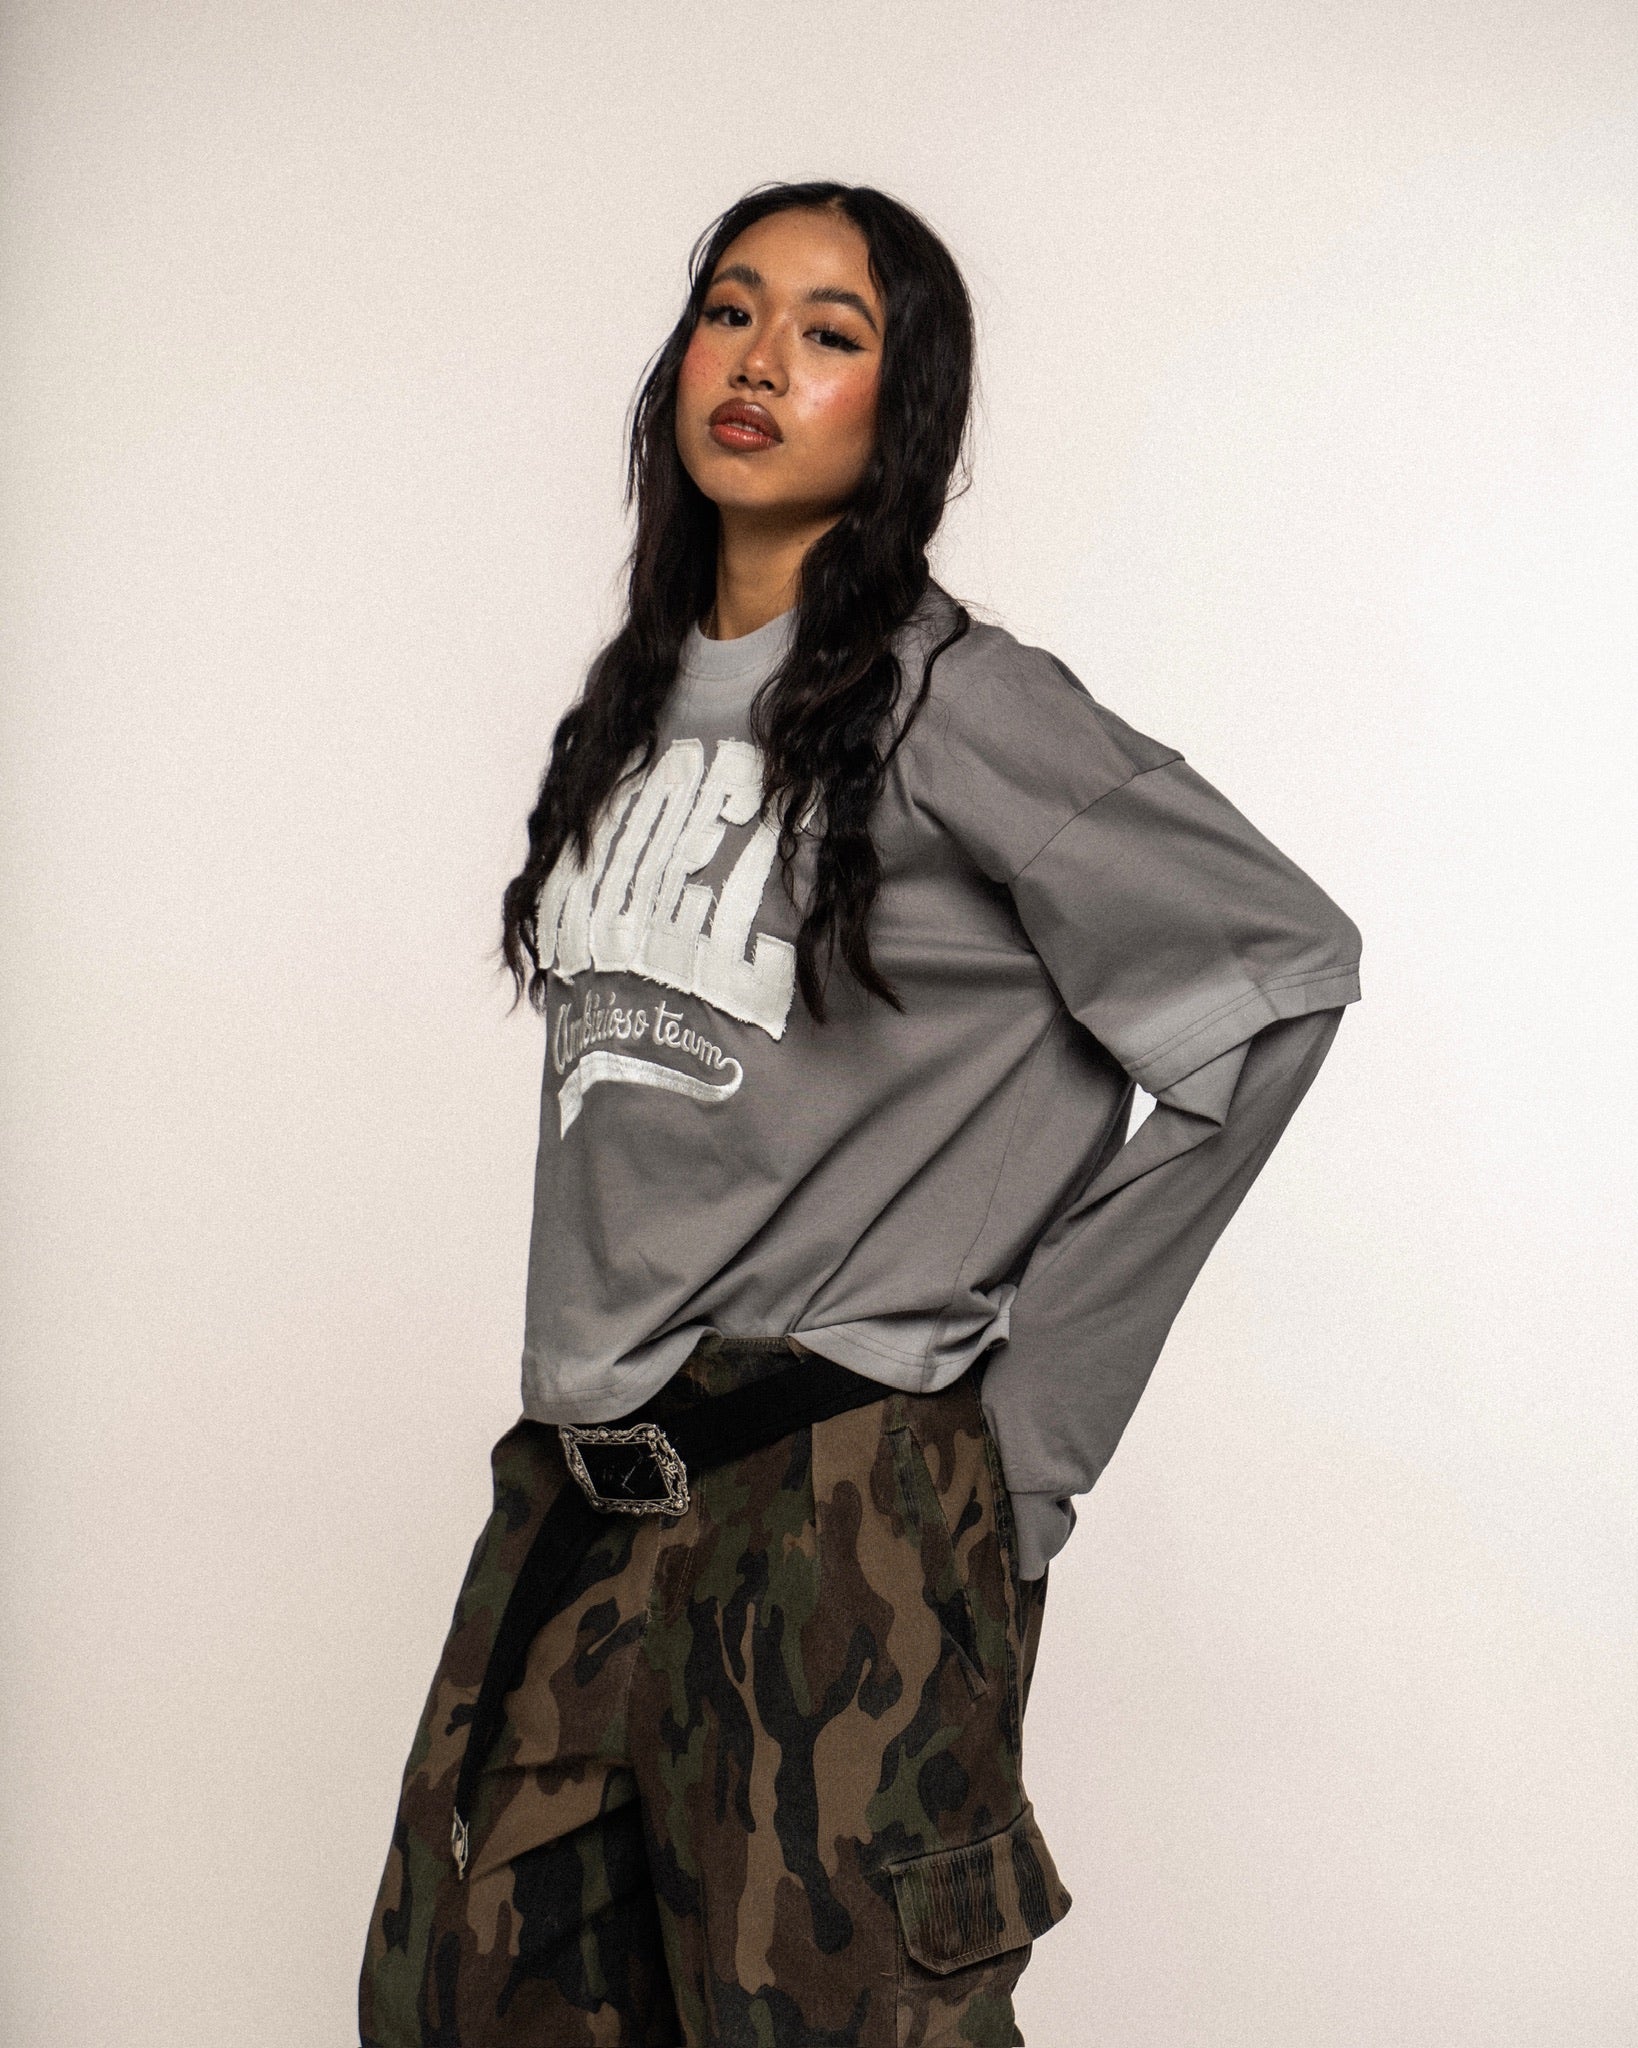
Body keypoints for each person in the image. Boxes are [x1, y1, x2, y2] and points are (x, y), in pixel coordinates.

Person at [359, 180, 1361, 2048]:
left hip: (836, 1515)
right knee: (456, 2008)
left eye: (830, 334)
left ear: (902, 414)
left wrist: (1029, 1432)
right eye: (730, 312)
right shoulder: (637, 704)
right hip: (577, 1488)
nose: (759, 360)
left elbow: (1282, 968)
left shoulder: (962, 704)